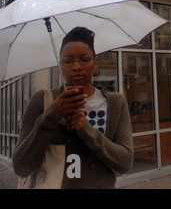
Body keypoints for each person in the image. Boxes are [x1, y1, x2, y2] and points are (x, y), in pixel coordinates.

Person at [13, 27, 133, 188]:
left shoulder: (115, 103)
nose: (76, 66)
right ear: (61, 65)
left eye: (84, 59)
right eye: (68, 61)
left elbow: (125, 163)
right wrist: (52, 115)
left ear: (94, 62)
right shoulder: (42, 101)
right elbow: (21, 166)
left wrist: (85, 129)